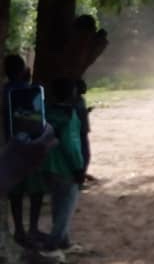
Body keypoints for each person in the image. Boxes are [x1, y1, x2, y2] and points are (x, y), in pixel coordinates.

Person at [37, 78, 87, 260]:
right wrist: (78, 169)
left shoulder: (47, 113)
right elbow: (71, 145)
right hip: (66, 170)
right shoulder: (70, 115)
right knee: (65, 211)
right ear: (71, 94)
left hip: (48, 167)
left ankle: (65, 242)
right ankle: (52, 247)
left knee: (58, 206)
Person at [3, 55, 47, 250]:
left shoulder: (5, 92)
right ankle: (33, 229)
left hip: (12, 147)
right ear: (23, 70)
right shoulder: (32, 90)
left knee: (16, 193)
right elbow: (38, 117)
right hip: (32, 146)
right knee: (36, 191)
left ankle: (20, 230)